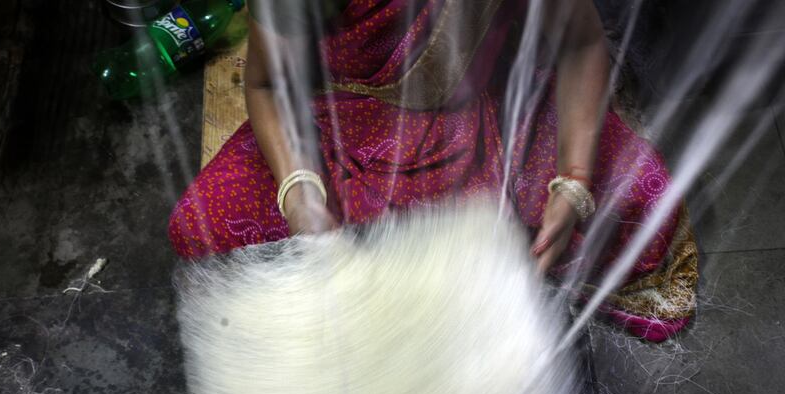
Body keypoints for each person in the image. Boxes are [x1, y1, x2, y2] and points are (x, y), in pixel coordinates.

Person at [168, 0, 698, 342]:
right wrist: (301, 191)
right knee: (205, 226)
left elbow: (582, 45)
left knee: (642, 198)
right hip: (350, 122)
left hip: (486, 117)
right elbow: (266, 85)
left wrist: (574, 179)